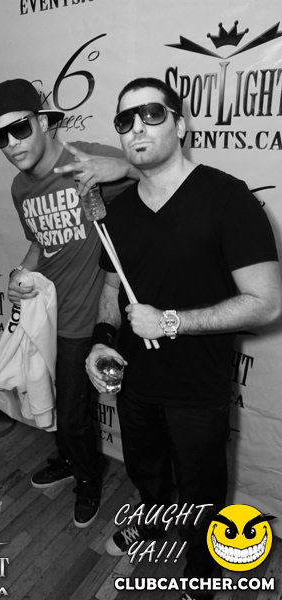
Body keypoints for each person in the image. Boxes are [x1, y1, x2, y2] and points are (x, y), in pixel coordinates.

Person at [85, 77, 282, 599]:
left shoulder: (228, 199)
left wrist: (170, 321)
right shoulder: (118, 212)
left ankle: (201, 571)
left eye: (151, 114)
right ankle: (151, 527)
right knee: (146, 472)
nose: (136, 128)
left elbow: (267, 302)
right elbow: (112, 288)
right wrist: (103, 339)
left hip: (197, 388)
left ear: (180, 123)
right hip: (133, 382)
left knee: (200, 492)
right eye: (125, 120)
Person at [0, 78, 137, 529]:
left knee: (71, 414)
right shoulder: (19, 187)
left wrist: (120, 166)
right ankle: (69, 459)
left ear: (44, 122)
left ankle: (87, 478)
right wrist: (19, 274)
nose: (12, 144)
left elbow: (160, 175)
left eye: (20, 129)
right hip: (44, 317)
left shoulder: (85, 159)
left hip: (86, 317)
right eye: (0, 137)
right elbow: (38, 244)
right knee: (55, 403)